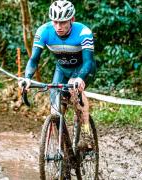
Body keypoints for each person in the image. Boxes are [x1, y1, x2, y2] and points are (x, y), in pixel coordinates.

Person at [19, 0, 96, 135]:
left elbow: (88, 61)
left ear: (72, 19)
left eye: (63, 22)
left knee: (74, 91)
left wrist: (80, 78)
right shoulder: (44, 31)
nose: (58, 26)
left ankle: (86, 132)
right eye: (55, 22)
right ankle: (61, 144)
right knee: (55, 108)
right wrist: (28, 78)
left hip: (82, 69)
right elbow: (34, 59)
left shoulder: (84, 32)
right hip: (61, 70)